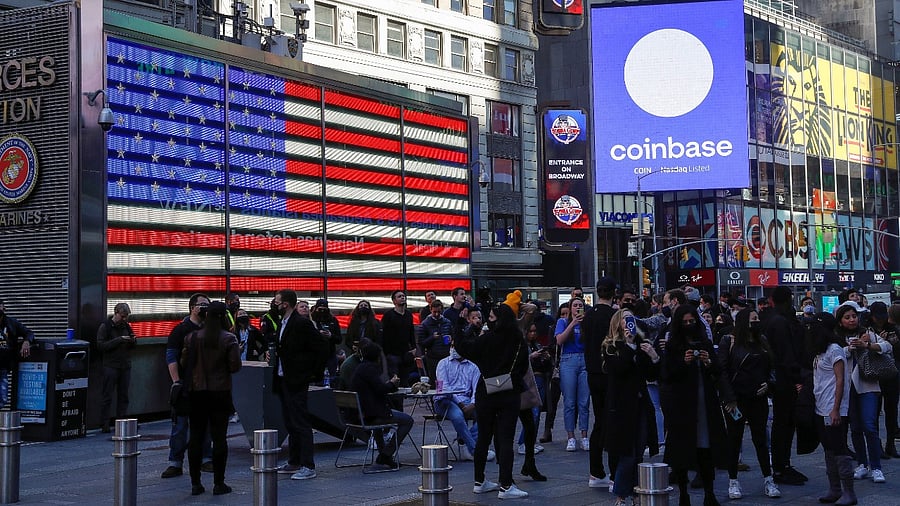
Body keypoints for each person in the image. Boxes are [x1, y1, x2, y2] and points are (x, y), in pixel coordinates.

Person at [456, 303, 530, 500]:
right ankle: (506, 485)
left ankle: (479, 481)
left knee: (483, 437)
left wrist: (465, 325)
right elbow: (522, 367)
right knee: (506, 438)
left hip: (485, 390)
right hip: (508, 391)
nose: (489, 320)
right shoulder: (518, 340)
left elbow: (463, 347)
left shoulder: (486, 339)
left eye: (491, 317)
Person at [661, 304, 727, 506]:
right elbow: (667, 374)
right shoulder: (673, 346)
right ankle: (683, 494)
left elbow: (717, 370)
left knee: (706, 450)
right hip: (682, 405)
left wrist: (708, 362)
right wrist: (684, 362)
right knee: (682, 450)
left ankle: (710, 492)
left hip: (704, 402)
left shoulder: (705, 343)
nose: (689, 325)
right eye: (685, 322)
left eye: (692, 321)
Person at [718, 308, 781, 499]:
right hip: (736, 399)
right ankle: (733, 481)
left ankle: (768, 479)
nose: (757, 321)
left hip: (758, 398)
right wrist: (729, 398)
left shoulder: (762, 341)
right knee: (734, 440)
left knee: (761, 439)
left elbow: (772, 368)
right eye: (754, 319)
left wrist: (768, 385)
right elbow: (722, 371)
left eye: (758, 319)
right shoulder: (729, 341)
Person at [180, 301, 241, 496]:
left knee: (196, 437)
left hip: (196, 392)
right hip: (220, 392)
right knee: (219, 438)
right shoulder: (229, 339)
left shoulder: (192, 338)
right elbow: (234, 366)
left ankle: (195, 483)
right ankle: (219, 483)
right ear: (223, 317)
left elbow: (183, 362)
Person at [603, 308, 661, 506]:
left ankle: (635, 492)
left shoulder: (642, 344)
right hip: (621, 406)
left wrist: (653, 356)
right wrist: (628, 345)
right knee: (626, 452)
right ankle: (621, 494)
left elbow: (651, 375)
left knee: (638, 451)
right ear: (618, 323)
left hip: (640, 404)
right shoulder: (611, 346)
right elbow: (618, 370)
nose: (629, 323)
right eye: (625, 320)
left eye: (631, 319)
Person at [834, 302, 891, 484]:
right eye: (847, 317)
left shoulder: (867, 333)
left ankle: (876, 467)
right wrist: (848, 349)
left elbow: (887, 347)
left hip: (867, 385)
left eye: (854, 316)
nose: (852, 320)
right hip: (846, 388)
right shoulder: (836, 338)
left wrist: (867, 345)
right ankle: (862, 464)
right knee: (856, 428)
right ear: (840, 321)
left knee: (869, 426)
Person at [273, 289, 323, 480]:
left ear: (285, 303)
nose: (275, 304)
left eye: (277, 301)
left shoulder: (301, 323)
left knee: (301, 422)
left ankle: (308, 465)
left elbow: (320, 346)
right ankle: (294, 461)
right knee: (290, 422)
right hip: (283, 378)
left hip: (296, 380)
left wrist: (311, 373)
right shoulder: (282, 323)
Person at [162, 293, 212, 479]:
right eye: (202, 305)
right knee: (180, 425)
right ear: (192, 307)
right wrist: (176, 382)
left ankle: (206, 458)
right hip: (184, 384)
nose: (205, 309)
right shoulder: (180, 330)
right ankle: (175, 462)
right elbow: (171, 357)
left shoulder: (210, 329)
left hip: (205, 384)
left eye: (208, 305)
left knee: (205, 423)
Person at [764, 286, 809, 485]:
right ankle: (781, 467)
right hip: (785, 379)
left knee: (785, 423)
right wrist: (797, 377)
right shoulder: (781, 322)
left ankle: (783, 465)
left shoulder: (777, 319)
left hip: (782, 378)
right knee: (784, 423)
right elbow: (786, 353)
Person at [811, 311, 855, 505]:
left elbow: (840, 380)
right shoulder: (821, 350)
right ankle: (835, 488)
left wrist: (836, 408)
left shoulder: (835, 350)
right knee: (829, 448)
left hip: (833, 407)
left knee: (839, 448)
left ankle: (848, 492)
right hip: (821, 406)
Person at [350, 341, 413, 468]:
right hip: (372, 414)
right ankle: (386, 454)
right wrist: (393, 383)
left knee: (382, 421)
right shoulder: (370, 369)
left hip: (361, 414)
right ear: (377, 357)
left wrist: (389, 385)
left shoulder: (360, 368)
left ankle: (384, 453)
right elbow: (380, 389)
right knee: (407, 421)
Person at [433, 324, 486, 462]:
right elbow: (444, 388)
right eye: (451, 346)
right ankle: (475, 449)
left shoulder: (473, 367)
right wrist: (461, 404)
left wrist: (473, 404)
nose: (453, 349)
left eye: (456, 346)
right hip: (446, 400)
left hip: (467, 400)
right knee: (457, 416)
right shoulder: (443, 364)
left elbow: (476, 389)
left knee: (486, 415)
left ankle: (463, 442)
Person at [582, 277, 617, 487]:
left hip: (592, 372)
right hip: (610, 373)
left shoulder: (588, 316)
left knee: (599, 421)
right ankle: (614, 475)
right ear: (613, 293)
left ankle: (596, 471)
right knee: (612, 420)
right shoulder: (614, 316)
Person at [555, 296, 590, 452]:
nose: (577, 308)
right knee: (569, 402)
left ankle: (584, 435)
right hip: (568, 360)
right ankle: (570, 436)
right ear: (570, 308)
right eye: (575, 305)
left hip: (584, 359)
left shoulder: (586, 323)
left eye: (580, 305)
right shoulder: (563, 322)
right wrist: (573, 323)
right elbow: (560, 340)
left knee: (584, 402)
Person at [97, 302, 136, 433]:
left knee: (123, 395)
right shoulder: (105, 327)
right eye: (123, 316)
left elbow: (133, 342)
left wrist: (132, 340)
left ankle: (121, 420)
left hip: (124, 365)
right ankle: (104, 423)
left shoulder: (126, 326)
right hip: (110, 365)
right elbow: (101, 346)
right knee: (107, 395)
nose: (124, 319)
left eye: (126, 317)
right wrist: (119, 340)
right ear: (116, 313)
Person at [540, 302, 569, 444]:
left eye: (566, 314)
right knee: (552, 400)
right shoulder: (553, 328)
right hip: (556, 368)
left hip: (570, 366)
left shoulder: (574, 327)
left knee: (572, 402)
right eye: (562, 314)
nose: (564, 317)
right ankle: (547, 429)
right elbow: (552, 345)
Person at [0, 299, 34, 409]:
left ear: (4, 308)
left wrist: (26, 342)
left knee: (2, 399)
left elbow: (29, 332)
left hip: (3, 367)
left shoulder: (11, 323)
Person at [380, 290, 417, 385]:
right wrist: (386, 352)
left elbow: (411, 332)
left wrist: (413, 348)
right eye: (399, 296)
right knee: (394, 379)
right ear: (394, 301)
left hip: (405, 352)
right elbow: (384, 334)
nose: (402, 298)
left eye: (403, 296)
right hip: (392, 353)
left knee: (405, 378)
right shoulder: (388, 315)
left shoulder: (408, 315)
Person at [878, 303, 900, 458]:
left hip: (882, 374)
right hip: (892, 374)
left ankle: (886, 445)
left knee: (883, 410)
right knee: (891, 410)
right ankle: (889, 444)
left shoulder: (887, 330)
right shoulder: (893, 330)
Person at [418, 299, 453, 381]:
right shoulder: (425, 324)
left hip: (446, 356)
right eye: (434, 312)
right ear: (430, 310)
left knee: (448, 379)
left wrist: (451, 339)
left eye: (439, 312)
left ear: (442, 310)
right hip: (432, 358)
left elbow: (453, 335)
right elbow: (421, 343)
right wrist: (432, 338)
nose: (437, 314)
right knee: (435, 380)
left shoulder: (447, 322)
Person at [311, 299, 342, 377]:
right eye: (320, 309)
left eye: (324, 309)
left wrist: (330, 336)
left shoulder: (333, 320)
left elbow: (339, 339)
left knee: (331, 378)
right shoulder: (311, 320)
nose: (322, 311)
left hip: (330, 355)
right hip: (315, 356)